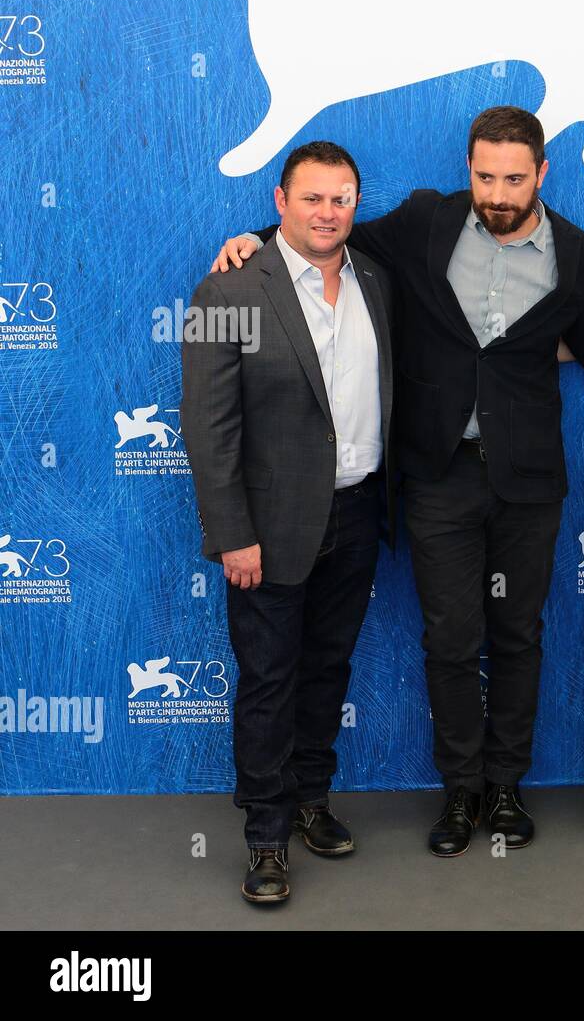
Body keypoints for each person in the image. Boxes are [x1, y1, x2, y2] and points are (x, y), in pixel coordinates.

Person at [212, 107, 584, 857]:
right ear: (468, 168)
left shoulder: (577, 251)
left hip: (529, 480)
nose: (498, 192)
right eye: (485, 175)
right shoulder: (422, 222)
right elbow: (323, 238)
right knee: (450, 640)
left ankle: (506, 786)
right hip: (436, 477)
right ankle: (460, 792)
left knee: (520, 636)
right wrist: (253, 241)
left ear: (542, 173)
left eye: (514, 177)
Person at [183, 141, 396, 903]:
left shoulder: (374, 278)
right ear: (279, 201)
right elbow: (207, 427)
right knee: (269, 681)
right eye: (312, 198)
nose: (327, 212)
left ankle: (311, 799)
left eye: (342, 198)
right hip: (267, 528)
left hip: (359, 512)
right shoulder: (226, 291)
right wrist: (231, 531)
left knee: (327, 669)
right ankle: (266, 837)